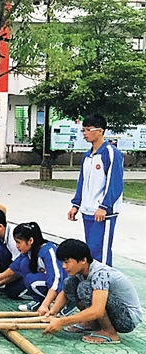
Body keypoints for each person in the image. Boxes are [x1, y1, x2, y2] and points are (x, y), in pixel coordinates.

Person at [43, 239, 142, 345]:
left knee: (85, 288)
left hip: (127, 320)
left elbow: (97, 310)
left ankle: (109, 332)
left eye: (67, 262)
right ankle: (92, 323)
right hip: (115, 313)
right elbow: (64, 293)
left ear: (83, 260)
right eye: (62, 262)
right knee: (69, 282)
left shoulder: (100, 274)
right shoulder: (80, 271)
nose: (63, 266)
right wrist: (52, 312)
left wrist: (62, 321)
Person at [67, 114, 124, 266]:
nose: (85, 133)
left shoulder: (110, 153)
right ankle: (92, 280)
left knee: (101, 254)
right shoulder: (87, 156)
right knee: (90, 252)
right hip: (88, 211)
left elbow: (115, 183)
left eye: (89, 130)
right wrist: (76, 205)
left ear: (100, 131)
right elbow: (82, 182)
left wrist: (104, 206)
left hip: (103, 213)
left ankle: (104, 281)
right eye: (83, 130)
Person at [0, 222, 67, 315]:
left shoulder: (48, 251)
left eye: (18, 242)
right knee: (24, 264)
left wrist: (45, 305)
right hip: (48, 281)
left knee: (31, 280)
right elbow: (15, 267)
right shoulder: (30, 251)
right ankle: (38, 301)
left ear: (30, 240)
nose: (17, 246)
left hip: (63, 286)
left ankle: (62, 304)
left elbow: (56, 280)